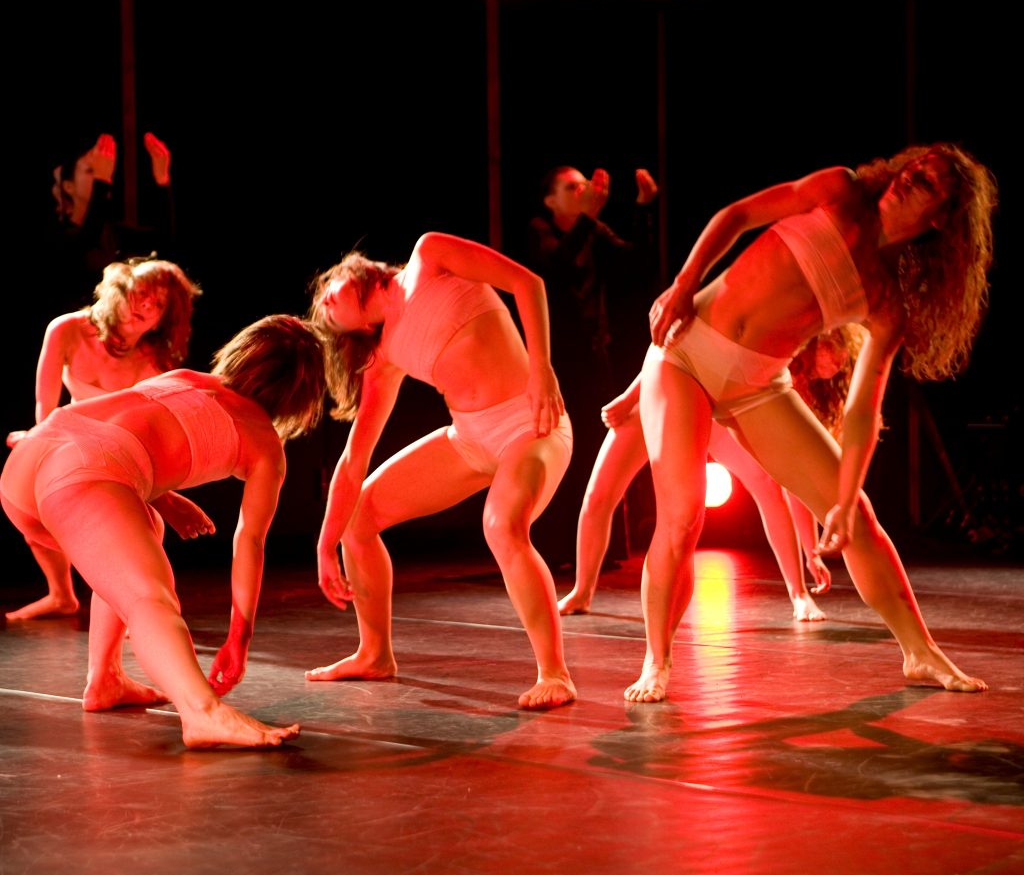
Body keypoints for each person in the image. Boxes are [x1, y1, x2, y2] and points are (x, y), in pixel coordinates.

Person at [632, 141, 997, 702]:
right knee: (681, 517)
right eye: (913, 167)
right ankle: (656, 661)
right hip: (684, 352)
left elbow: (861, 410)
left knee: (862, 519)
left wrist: (846, 500)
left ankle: (920, 652)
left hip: (758, 384)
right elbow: (736, 216)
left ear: (942, 219)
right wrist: (684, 284)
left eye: (927, 183)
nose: (908, 178)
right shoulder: (838, 190)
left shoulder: (885, 301)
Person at [0, 315, 328, 748]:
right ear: (301, 398)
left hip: (30, 461)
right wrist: (238, 638)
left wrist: (164, 499)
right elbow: (248, 541)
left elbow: (119, 433)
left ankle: (106, 679)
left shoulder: (187, 377)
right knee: (150, 596)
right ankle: (202, 713)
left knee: (142, 531)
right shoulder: (265, 445)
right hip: (81, 476)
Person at [305, 231, 576, 709]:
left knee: (502, 525)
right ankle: (374, 653)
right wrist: (327, 542)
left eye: (326, 291)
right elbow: (354, 457)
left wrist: (542, 367)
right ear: (352, 332)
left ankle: (554, 673)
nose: (325, 299)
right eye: (326, 314)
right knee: (359, 516)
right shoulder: (383, 355)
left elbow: (527, 283)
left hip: (531, 425)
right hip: (470, 439)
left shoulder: (429, 257)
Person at [557, 327, 866, 622]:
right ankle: (582, 591)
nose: (841, 361)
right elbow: (668, 348)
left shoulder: (801, 384)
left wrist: (811, 552)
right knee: (598, 495)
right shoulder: (765, 338)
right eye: (837, 348)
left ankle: (799, 594)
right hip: (659, 400)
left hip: (709, 411)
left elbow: (793, 483)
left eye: (846, 357)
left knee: (766, 484)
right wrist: (628, 397)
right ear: (817, 338)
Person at [5, 256, 204, 621]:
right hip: (67, 435)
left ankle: (138, 605)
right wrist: (38, 440)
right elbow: (45, 405)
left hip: (122, 450)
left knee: (136, 526)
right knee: (26, 492)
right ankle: (61, 594)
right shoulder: (66, 329)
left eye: (157, 303)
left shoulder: (153, 359)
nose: (145, 306)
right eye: (142, 293)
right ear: (121, 289)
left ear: (165, 319)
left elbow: (153, 427)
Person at [525, 165, 659, 567]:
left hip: (594, 355)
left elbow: (637, 262)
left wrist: (644, 208)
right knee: (556, 448)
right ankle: (555, 546)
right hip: (554, 361)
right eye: (571, 187)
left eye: (584, 186)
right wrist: (587, 219)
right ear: (551, 200)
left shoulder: (593, 230)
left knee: (600, 448)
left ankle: (603, 549)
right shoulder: (538, 230)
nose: (581, 191)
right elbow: (552, 271)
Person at [48, 131, 177, 311]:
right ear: (68, 186)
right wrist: (101, 182)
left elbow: (164, 243)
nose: (104, 171)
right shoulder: (58, 237)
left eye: (104, 169)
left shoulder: (113, 233)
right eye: (90, 170)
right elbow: (86, 242)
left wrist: (162, 181)